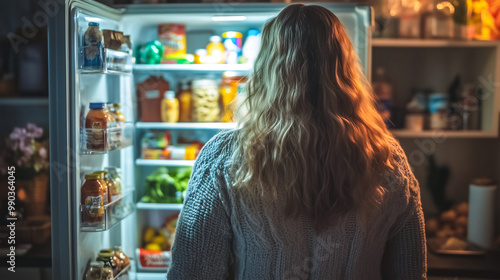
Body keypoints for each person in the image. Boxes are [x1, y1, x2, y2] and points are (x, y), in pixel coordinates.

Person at [167, 4, 426, 280]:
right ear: (346, 68)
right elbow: (410, 270)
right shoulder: (386, 157)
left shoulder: (223, 156)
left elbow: (193, 272)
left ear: (266, 69)